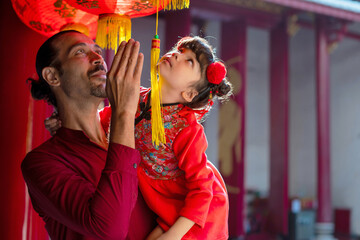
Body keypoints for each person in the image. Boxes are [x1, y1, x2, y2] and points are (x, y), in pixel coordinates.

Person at [21, 30, 156, 240]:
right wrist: (123, 112)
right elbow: (110, 229)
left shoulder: (136, 130)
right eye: (80, 52)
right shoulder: (42, 162)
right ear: (53, 76)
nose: (98, 59)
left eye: (98, 51)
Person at [100, 36, 231, 240]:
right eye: (179, 49)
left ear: (189, 94)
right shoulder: (136, 96)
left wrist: (173, 236)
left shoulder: (187, 130)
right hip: (162, 201)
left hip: (193, 212)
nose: (177, 54)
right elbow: (104, 120)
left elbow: (202, 191)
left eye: (189, 60)